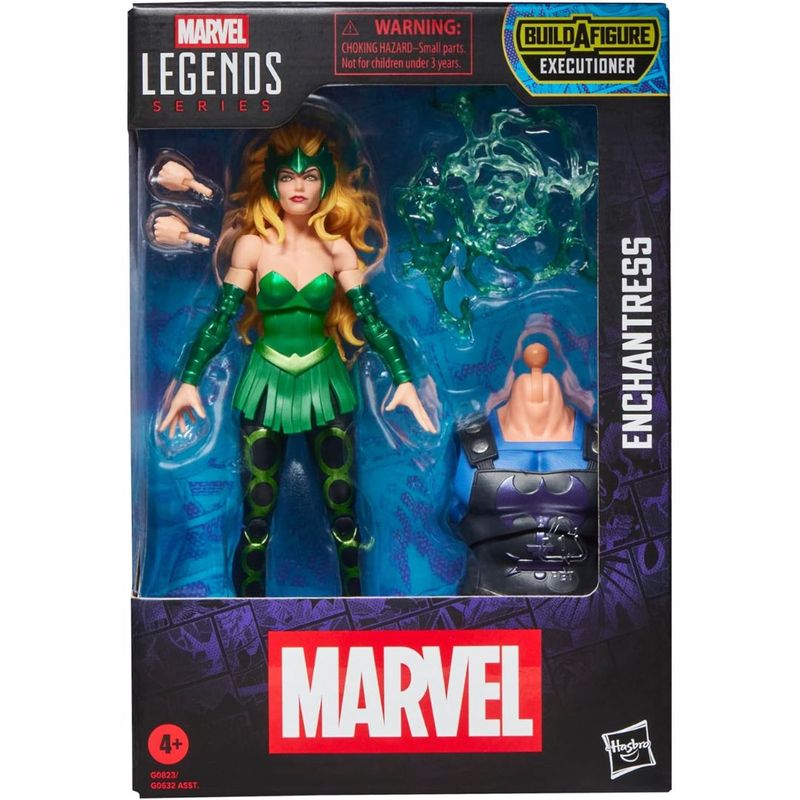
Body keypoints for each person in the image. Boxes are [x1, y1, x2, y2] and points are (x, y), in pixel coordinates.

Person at [158, 124, 435, 597]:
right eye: (288, 176)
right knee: (256, 518)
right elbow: (221, 318)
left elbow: (369, 317)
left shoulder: (337, 248)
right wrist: (188, 381)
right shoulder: (253, 245)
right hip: (263, 386)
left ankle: (357, 613)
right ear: (272, 182)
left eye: (310, 176)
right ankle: (247, 618)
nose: (299, 187)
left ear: (326, 182)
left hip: (327, 385)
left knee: (344, 514)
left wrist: (404, 378)